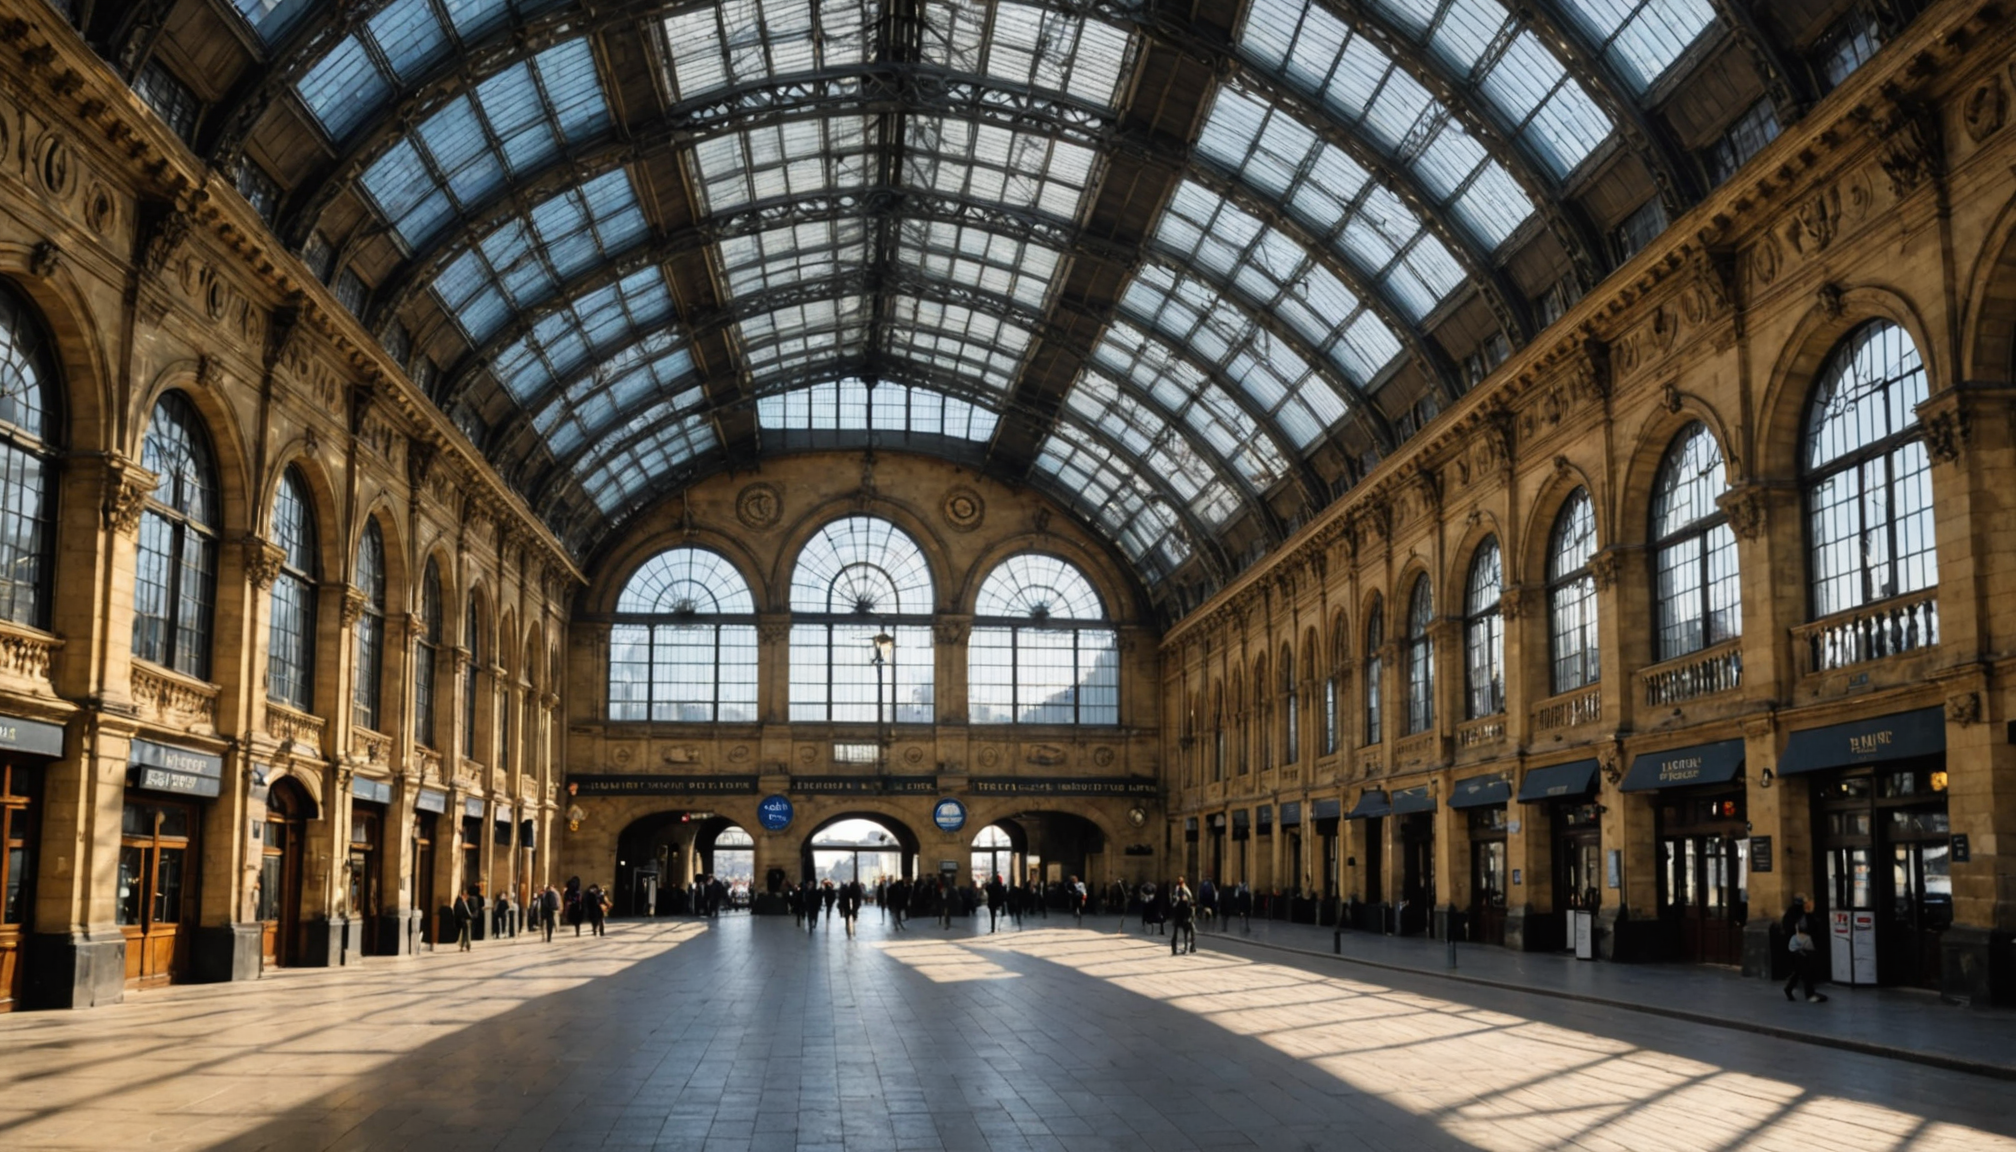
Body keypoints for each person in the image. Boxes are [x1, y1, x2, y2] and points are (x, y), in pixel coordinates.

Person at [1782, 893, 1827, 1003]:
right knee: (1806, 970)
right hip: (1800, 946)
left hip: (1796, 945)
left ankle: (1789, 989)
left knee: (1799, 970)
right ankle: (1809, 994)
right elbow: (1808, 928)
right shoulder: (1799, 915)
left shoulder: (1792, 914)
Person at [1169, 878, 1197, 955]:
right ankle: (1190, 947)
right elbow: (1189, 902)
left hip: (1178, 915)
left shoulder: (1176, 891)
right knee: (1190, 930)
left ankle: (1175, 948)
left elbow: (1173, 903)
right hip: (1185, 915)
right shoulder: (1184, 890)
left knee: (1177, 932)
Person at [453, 887, 479, 952]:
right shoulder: (460, 903)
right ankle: (467, 945)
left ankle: (465, 945)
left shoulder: (465, 902)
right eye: (466, 895)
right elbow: (460, 912)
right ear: (463, 895)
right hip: (464, 920)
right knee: (466, 933)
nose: (467, 897)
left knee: (465, 933)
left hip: (466, 920)